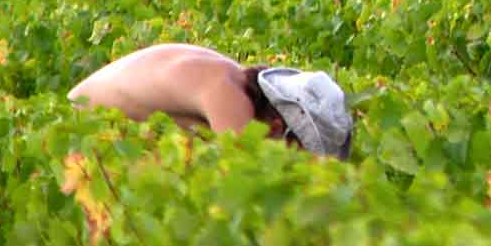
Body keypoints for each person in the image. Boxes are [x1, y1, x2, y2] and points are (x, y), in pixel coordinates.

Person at [68, 43, 353, 158]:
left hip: (105, 138)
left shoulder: (232, 78)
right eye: (292, 154)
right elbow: (244, 186)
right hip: (76, 131)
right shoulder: (225, 93)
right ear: (277, 127)